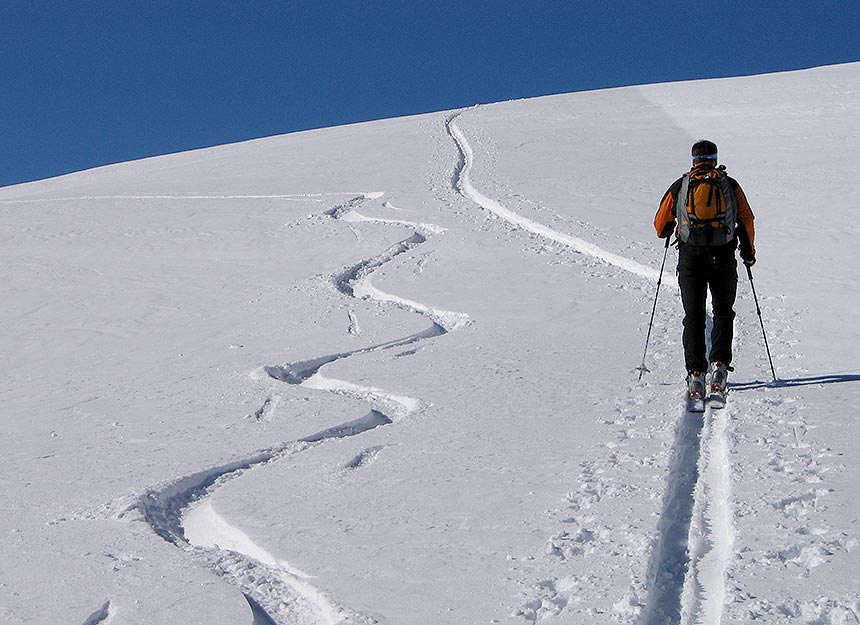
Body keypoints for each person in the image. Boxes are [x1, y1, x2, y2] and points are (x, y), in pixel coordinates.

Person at [653, 139, 756, 400]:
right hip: (723, 257)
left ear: (694, 160)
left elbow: (659, 224)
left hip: (691, 258)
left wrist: (671, 228)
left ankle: (696, 374)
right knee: (723, 311)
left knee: (694, 315)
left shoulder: (682, 185)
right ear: (714, 157)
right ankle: (720, 367)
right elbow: (746, 219)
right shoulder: (729, 185)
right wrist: (748, 252)